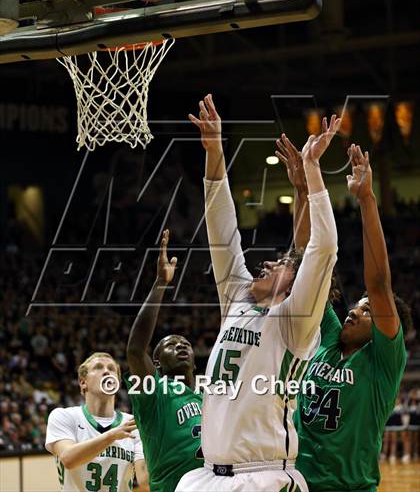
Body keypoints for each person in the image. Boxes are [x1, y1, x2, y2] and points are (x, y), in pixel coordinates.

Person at [176, 95, 340, 492]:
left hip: (263, 476)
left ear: (296, 283)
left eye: (280, 263)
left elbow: (323, 250)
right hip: (207, 476)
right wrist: (215, 150)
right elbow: (221, 229)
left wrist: (314, 171)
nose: (265, 264)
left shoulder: (294, 325)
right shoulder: (237, 300)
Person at [278, 140, 412, 492]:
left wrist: (366, 199)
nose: (355, 310)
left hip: (349, 487)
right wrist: (302, 190)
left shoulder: (383, 361)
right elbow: (307, 261)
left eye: (367, 311)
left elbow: (380, 283)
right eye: (358, 304)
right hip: (298, 482)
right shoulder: (329, 336)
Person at [126, 229, 203, 492]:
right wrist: (160, 284)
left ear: (195, 363)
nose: (181, 346)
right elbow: (136, 350)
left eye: (186, 345)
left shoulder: (210, 396)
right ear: (156, 363)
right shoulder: (154, 392)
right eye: (171, 345)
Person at [45, 352, 148, 492]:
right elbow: (68, 459)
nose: (106, 371)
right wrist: (111, 435)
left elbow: (145, 481)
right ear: (83, 383)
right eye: (98, 367)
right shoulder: (64, 416)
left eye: (112, 369)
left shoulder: (132, 424)